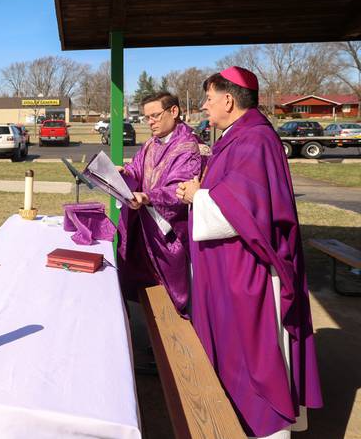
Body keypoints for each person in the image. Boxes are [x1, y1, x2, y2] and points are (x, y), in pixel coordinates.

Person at [176, 67, 322, 438]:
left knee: (255, 356)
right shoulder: (238, 136)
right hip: (228, 266)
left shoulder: (254, 140)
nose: (205, 107)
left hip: (248, 270)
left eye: (208, 99)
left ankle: (269, 428)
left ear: (228, 99)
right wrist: (202, 190)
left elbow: (247, 208)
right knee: (232, 349)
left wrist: (198, 196)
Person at [116, 92, 204, 316]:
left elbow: (181, 189)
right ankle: (155, 324)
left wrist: (147, 197)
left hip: (169, 230)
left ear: (173, 111)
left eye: (155, 115)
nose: (150, 122)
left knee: (172, 291)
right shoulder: (150, 144)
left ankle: (178, 333)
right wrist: (125, 172)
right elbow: (138, 168)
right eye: (147, 117)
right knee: (148, 285)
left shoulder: (189, 147)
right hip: (146, 225)